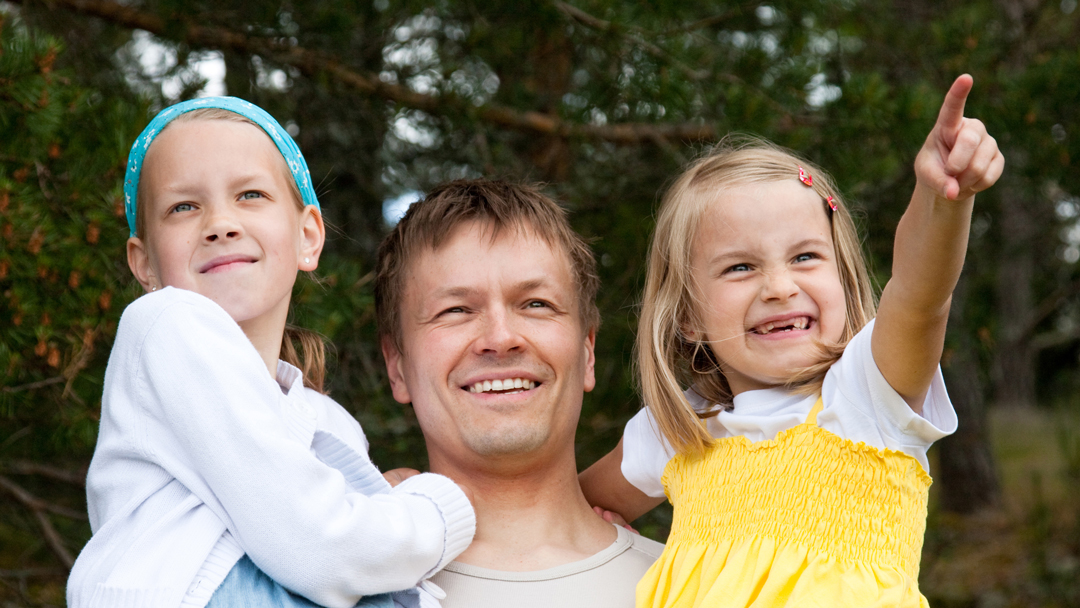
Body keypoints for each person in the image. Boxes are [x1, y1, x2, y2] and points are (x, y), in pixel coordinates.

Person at [578, 75, 1004, 607]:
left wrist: (942, 197)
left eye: (805, 257)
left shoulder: (867, 396)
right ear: (686, 315)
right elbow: (569, 513)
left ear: (844, 281)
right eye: (740, 267)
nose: (780, 288)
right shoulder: (677, 431)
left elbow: (921, 295)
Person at [67, 98, 475, 608]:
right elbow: (321, 545)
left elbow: (336, 541)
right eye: (183, 207)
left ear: (308, 236)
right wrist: (438, 509)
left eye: (250, 195)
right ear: (144, 263)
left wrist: (380, 502)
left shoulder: (329, 422)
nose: (220, 223)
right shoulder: (167, 324)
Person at [375, 180, 664, 608]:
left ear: (587, 351)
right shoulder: (331, 588)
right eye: (455, 310)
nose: (501, 337)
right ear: (397, 365)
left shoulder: (696, 589)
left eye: (535, 304)